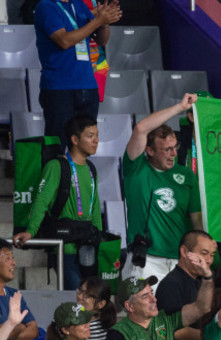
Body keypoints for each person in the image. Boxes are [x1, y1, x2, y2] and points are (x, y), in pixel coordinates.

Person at [14, 115, 103, 290]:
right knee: (78, 299)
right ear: (75, 139)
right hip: (64, 248)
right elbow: (41, 201)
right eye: (90, 136)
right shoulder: (56, 166)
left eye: (97, 135)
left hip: (88, 247)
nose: (96, 141)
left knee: (91, 299)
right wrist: (31, 231)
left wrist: (99, 237)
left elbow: (96, 206)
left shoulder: (91, 168)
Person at [122, 93, 202, 287]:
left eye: (175, 147)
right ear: (149, 151)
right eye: (167, 149)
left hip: (179, 262)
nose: (174, 154)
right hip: (145, 262)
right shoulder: (136, 169)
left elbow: (197, 220)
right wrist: (179, 108)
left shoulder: (186, 176)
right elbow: (141, 129)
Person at [34, 0, 121, 149]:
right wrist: (99, 20)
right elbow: (64, 41)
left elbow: (101, 40)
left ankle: (80, 173)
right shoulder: (46, 6)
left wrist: (104, 23)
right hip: (59, 87)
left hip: (88, 85)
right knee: (57, 145)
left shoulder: (78, 4)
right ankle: (57, 172)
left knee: (85, 145)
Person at [156, 230, 218, 340]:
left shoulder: (201, 281)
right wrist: (211, 336)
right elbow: (175, 332)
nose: (208, 260)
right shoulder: (171, 285)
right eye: (203, 253)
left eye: (212, 255)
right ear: (184, 251)